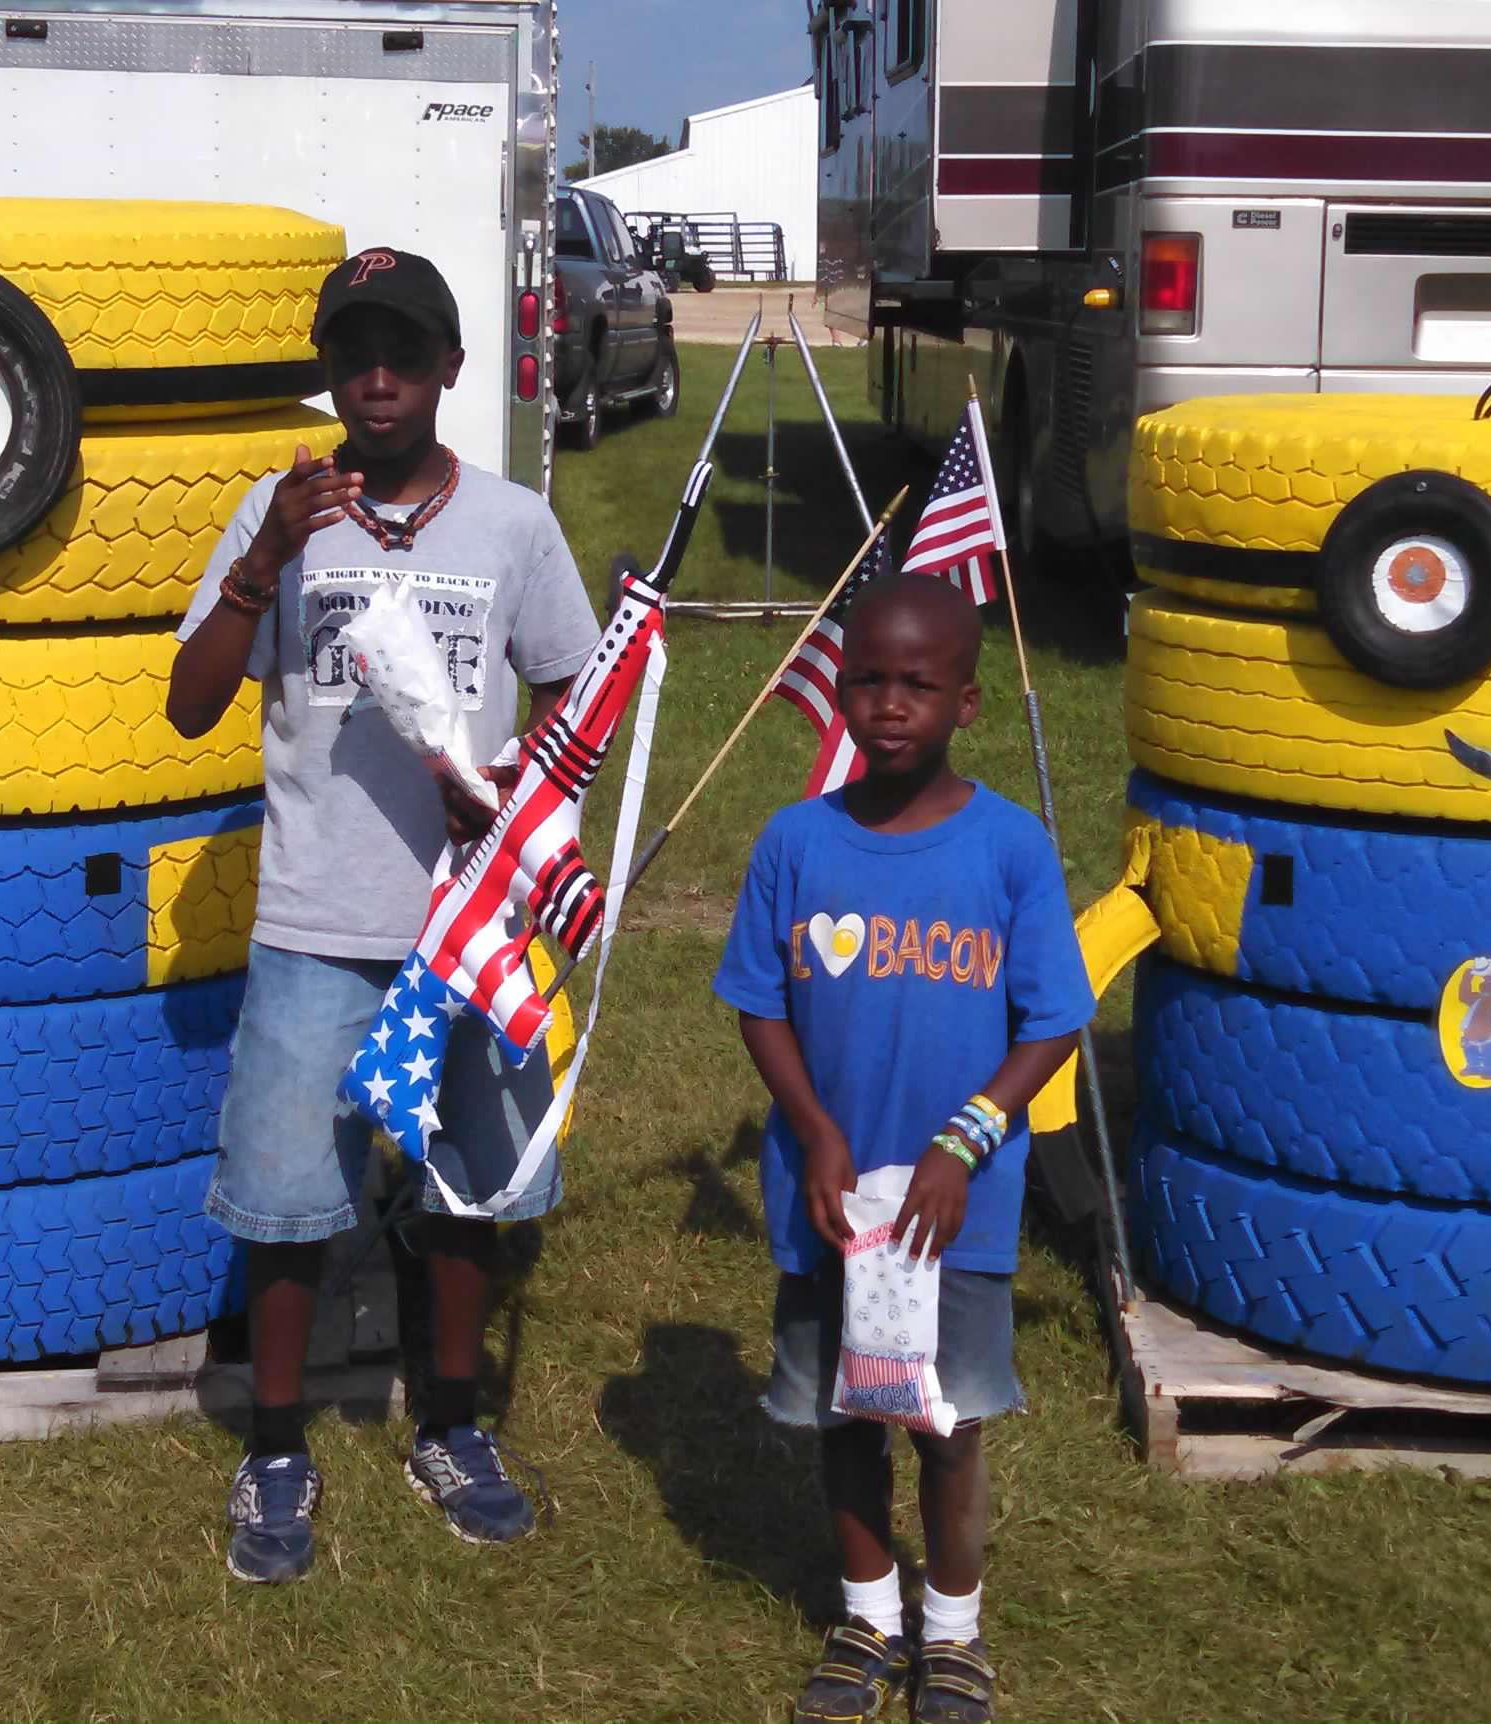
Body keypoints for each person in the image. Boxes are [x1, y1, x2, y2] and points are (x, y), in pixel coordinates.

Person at [167, 246, 603, 1586]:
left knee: (467, 1189)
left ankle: (452, 1427)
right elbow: (190, 702)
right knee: (288, 1200)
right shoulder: (279, 515)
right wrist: (266, 560)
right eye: (352, 354)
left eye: (404, 354)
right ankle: (276, 1447)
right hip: (317, 917)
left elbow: (573, 690)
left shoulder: (513, 525)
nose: (377, 379)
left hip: (469, 922)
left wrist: (512, 790)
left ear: (450, 369)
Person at [710, 575, 1093, 1724]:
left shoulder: (1010, 848)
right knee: (843, 1415)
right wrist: (817, 1130)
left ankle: (954, 1633)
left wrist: (964, 1144)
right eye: (868, 679)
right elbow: (759, 1003)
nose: (888, 705)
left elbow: (1053, 1019)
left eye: (916, 685)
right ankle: (869, 1617)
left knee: (947, 1423)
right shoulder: (796, 842)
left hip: (949, 1210)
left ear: (965, 702)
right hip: (827, 1201)